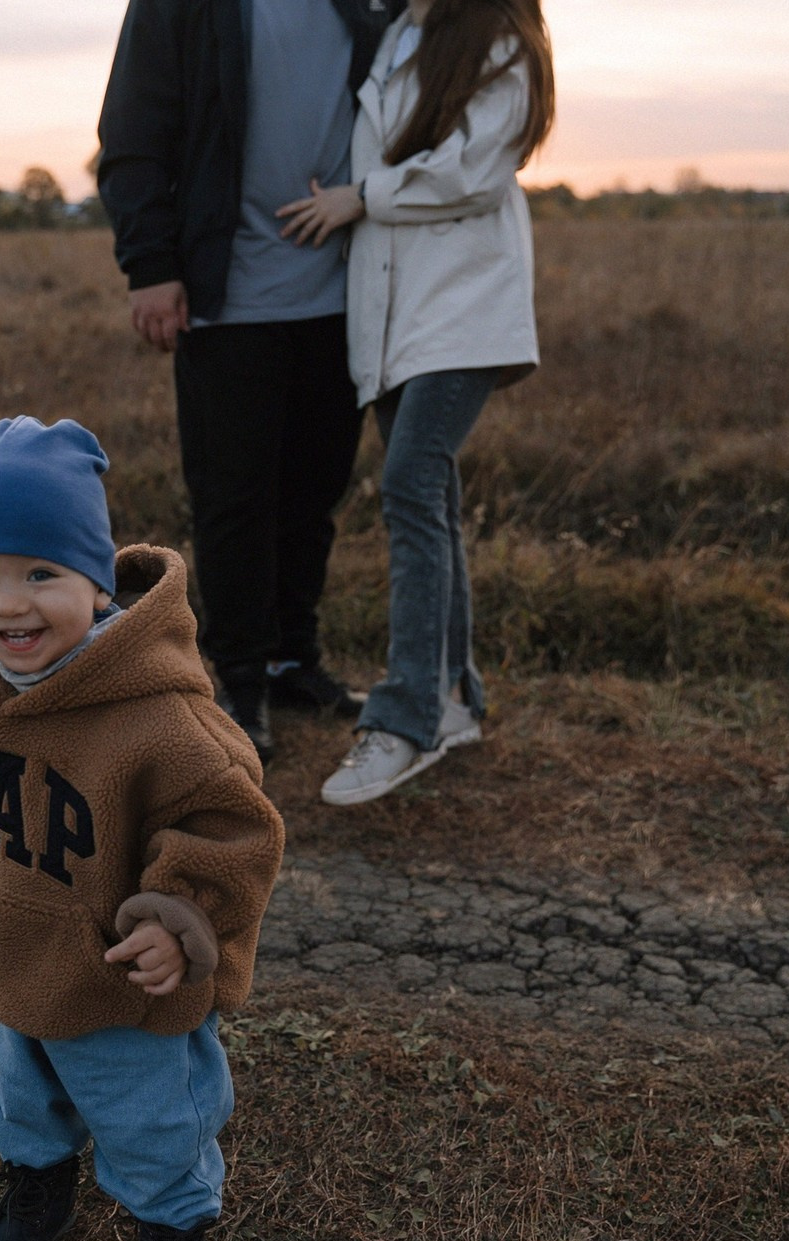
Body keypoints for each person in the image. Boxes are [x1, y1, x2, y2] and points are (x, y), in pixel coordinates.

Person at [0, 416, 284, 1241]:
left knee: (150, 1119)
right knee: (26, 1096)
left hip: (121, 980)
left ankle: (172, 1225)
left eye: (42, 573)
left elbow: (233, 825)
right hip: (15, 950)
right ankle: (38, 1184)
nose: (8, 604)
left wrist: (182, 914)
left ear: (94, 576)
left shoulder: (158, 718)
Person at [96, 0, 400, 764]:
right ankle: (237, 680)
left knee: (316, 488)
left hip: (343, 294)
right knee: (234, 500)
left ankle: (295, 660)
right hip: (226, 299)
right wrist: (152, 266)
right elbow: (132, 134)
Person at [275, 0, 554, 804]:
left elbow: (474, 171)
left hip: (465, 311)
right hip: (397, 318)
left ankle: (405, 719)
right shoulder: (395, 33)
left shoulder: (500, 38)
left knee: (408, 486)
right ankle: (454, 698)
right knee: (429, 495)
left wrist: (360, 197)